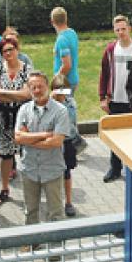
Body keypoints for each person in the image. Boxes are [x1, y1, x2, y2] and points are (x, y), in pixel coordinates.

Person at [15, 71, 71, 226]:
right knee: (30, 211)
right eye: (33, 87)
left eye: (40, 86)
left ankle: (57, 247)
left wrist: (29, 139)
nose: (37, 90)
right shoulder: (24, 110)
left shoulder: (60, 111)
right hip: (29, 169)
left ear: (47, 86)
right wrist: (45, 134)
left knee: (56, 213)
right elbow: (18, 137)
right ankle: (32, 244)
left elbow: (56, 142)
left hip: (52, 170)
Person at [98, 15, 132, 183]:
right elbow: (104, 74)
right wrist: (103, 97)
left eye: (123, 29)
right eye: (117, 29)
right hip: (115, 99)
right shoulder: (111, 50)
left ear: (129, 29)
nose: (121, 32)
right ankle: (115, 168)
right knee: (115, 136)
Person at [0, 37, 31, 205]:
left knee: (27, 153)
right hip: (2, 118)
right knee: (5, 155)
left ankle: (31, 189)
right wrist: (17, 93)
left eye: (11, 49)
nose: (8, 53)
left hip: (23, 117)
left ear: (17, 50)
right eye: (4, 51)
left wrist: (6, 93)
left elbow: (28, 94)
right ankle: (4, 188)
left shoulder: (27, 68)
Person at [51, 7, 86, 152]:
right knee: (68, 107)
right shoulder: (72, 33)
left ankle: (75, 141)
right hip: (73, 79)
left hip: (65, 81)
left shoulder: (62, 39)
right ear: (66, 19)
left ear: (52, 21)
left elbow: (67, 64)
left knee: (65, 110)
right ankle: (74, 139)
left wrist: (56, 78)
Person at [51, 74, 78, 217]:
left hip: (67, 142)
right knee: (53, 174)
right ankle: (54, 203)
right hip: (53, 143)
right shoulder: (48, 104)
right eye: (58, 90)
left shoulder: (71, 103)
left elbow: (71, 122)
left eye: (64, 90)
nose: (62, 94)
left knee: (67, 172)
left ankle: (68, 202)